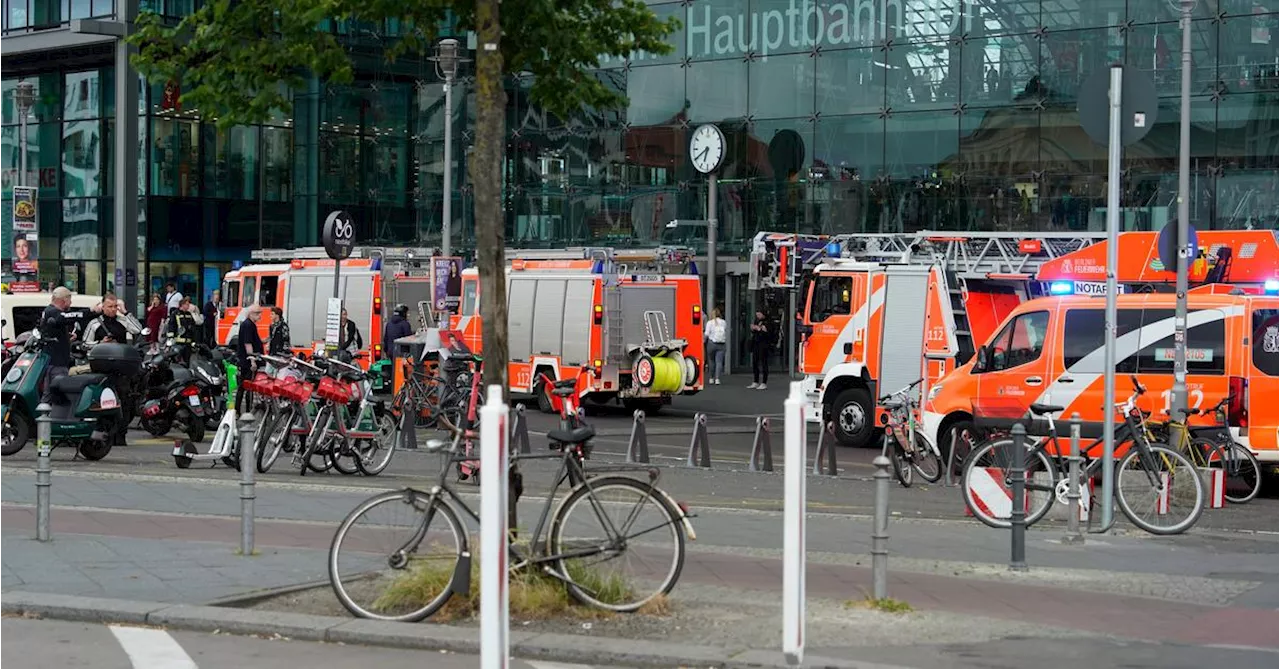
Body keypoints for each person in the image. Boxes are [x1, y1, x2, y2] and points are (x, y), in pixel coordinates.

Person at [39, 287, 98, 402]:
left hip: (51, 361)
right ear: (63, 300)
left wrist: (66, 338)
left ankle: (46, 417)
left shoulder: (47, 311)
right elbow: (71, 316)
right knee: (59, 394)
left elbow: (53, 332)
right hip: (57, 363)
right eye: (70, 300)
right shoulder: (53, 312)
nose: (71, 303)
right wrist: (92, 311)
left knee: (49, 394)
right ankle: (58, 417)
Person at [236, 305, 264, 411]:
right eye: (257, 313)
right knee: (247, 386)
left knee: (244, 386)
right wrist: (252, 360)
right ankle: (246, 410)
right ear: (251, 313)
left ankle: (239, 410)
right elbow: (248, 343)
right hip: (247, 361)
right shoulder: (248, 325)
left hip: (246, 360)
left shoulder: (249, 324)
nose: (260, 315)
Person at [748, 310, 774, 391]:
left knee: (763, 362)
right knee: (755, 362)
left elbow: (770, 334)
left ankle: (764, 382)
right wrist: (753, 328)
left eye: (759, 314)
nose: (758, 316)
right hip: (756, 342)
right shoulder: (757, 321)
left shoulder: (768, 322)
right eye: (757, 314)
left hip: (764, 344)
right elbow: (754, 331)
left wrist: (761, 330)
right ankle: (755, 381)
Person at [703, 307, 727, 385]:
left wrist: (703, 340)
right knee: (719, 362)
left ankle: (711, 378)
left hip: (711, 344)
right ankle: (717, 379)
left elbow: (706, 333)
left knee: (711, 361)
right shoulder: (723, 322)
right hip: (721, 344)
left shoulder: (710, 323)